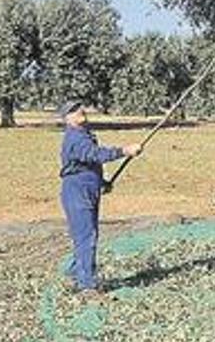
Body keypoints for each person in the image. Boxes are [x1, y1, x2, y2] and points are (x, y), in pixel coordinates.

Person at [57, 100, 142, 294]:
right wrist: (124, 151)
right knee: (86, 237)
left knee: (87, 235)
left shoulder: (83, 134)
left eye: (80, 107)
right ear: (67, 118)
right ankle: (87, 286)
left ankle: (74, 273)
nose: (80, 110)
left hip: (87, 188)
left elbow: (86, 165)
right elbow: (94, 155)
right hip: (78, 191)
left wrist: (101, 182)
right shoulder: (75, 138)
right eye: (73, 110)